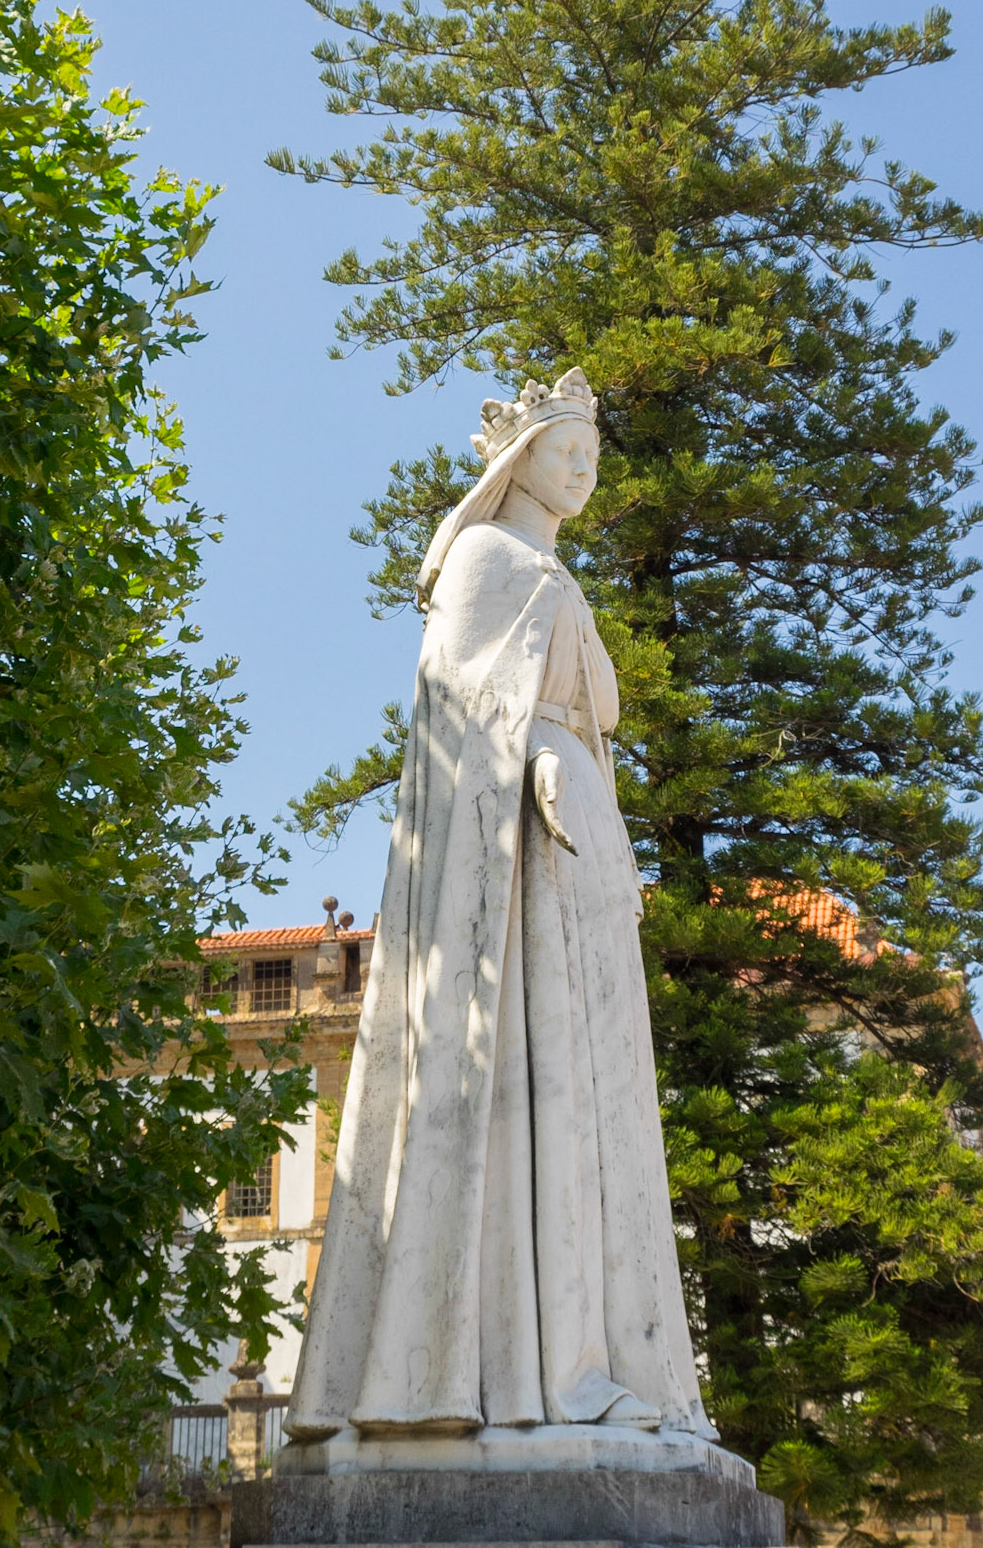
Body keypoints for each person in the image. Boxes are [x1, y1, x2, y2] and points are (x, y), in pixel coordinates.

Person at [285, 369, 714, 1444]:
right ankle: (534, 1373)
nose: (584, 469)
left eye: (594, 457)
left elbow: (576, 707)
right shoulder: (484, 559)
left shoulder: (550, 570)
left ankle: (597, 1360)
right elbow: (462, 709)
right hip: (514, 866)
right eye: (568, 450)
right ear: (518, 458)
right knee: (541, 1104)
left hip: (572, 863)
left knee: (591, 1116)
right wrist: (532, 755)